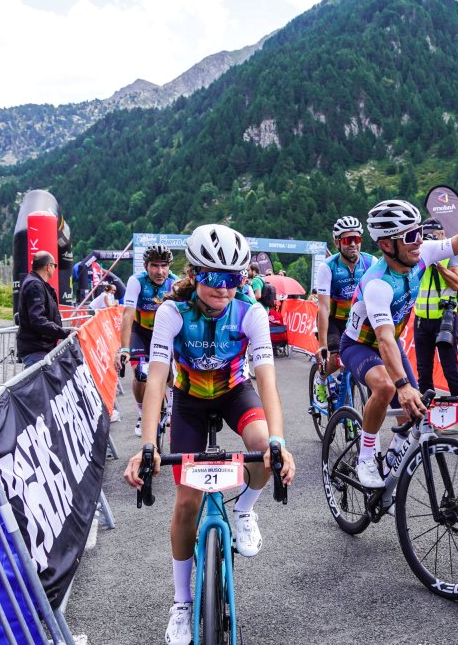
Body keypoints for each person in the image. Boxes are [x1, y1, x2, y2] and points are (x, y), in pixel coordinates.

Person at [121, 224, 295, 645]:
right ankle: (181, 603)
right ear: (195, 273)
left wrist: (280, 443)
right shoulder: (171, 313)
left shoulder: (250, 312)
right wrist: (147, 446)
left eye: (234, 279)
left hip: (236, 391)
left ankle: (243, 511)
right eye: (214, 278)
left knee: (262, 450)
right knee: (186, 501)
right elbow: (158, 380)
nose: (224, 289)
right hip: (191, 400)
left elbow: (268, 382)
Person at [340, 187, 458, 490]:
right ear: (387, 244)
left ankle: (391, 460)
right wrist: (401, 386)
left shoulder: (422, 252)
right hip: (360, 345)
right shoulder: (378, 285)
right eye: (410, 236)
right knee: (388, 387)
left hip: (391, 345)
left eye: (419, 233)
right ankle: (365, 455)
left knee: (417, 408)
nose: (419, 242)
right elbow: (384, 340)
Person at [314, 216, 376, 402]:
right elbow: (323, 308)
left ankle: (347, 410)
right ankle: (321, 378)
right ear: (337, 242)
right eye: (348, 240)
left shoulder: (370, 262)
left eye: (357, 240)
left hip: (356, 321)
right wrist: (322, 345)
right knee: (335, 358)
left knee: (352, 366)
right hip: (334, 320)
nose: (353, 245)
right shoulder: (328, 267)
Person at [118, 245, 178, 436]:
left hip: (163, 333)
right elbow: (127, 316)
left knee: (170, 374)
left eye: (163, 266)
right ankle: (142, 412)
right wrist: (125, 349)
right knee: (141, 376)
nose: (159, 271)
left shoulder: (175, 283)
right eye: (154, 266)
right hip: (141, 332)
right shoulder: (136, 281)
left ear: (169, 267)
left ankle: (171, 406)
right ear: (145, 266)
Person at [412, 218, 458, 419]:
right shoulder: (418, 253)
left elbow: (456, 283)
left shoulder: (454, 252)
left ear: (442, 235)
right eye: (425, 236)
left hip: (445, 319)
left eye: (433, 237)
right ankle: (426, 416)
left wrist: (437, 264)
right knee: (423, 372)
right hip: (421, 319)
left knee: (450, 369)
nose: (429, 241)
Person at [16, 250, 70, 367]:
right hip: (36, 349)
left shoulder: (36, 283)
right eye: (54, 265)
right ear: (48, 267)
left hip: (40, 348)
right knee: (37, 385)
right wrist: (65, 333)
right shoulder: (35, 285)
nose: (55, 269)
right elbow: (38, 320)